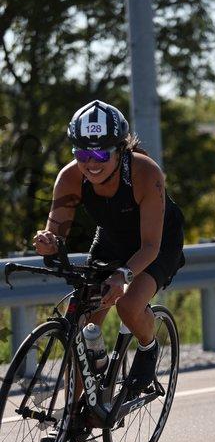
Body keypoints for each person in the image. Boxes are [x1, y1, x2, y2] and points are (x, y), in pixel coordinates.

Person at [33, 99, 185, 396]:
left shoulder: (145, 173)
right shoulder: (70, 177)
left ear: (120, 150)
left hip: (157, 242)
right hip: (112, 239)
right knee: (81, 325)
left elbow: (150, 246)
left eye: (101, 153)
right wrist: (48, 244)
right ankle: (77, 409)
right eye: (82, 153)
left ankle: (148, 348)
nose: (91, 163)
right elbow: (56, 235)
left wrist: (123, 275)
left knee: (128, 305)